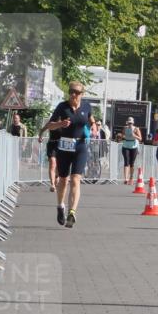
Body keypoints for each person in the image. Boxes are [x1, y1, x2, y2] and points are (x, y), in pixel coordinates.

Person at [45, 82, 92, 227]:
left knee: (76, 179)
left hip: (80, 146)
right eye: (71, 91)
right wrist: (60, 124)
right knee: (64, 180)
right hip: (64, 147)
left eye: (77, 92)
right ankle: (60, 206)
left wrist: (94, 126)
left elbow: (90, 120)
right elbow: (49, 125)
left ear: (81, 94)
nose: (73, 94)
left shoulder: (86, 106)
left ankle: (72, 212)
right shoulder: (62, 106)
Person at [38, 116, 61, 192]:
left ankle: (56, 177)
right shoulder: (50, 123)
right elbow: (42, 130)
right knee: (52, 163)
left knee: (58, 167)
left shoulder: (64, 123)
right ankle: (52, 185)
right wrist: (40, 137)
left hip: (61, 145)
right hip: (52, 144)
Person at [120, 117, 142, 184]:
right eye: (129, 123)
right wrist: (122, 136)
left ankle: (131, 178)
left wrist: (134, 135)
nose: (130, 124)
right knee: (126, 161)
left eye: (131, 123)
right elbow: (122, 135)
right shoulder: (125, 128)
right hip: (126, 145)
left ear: (133, 123)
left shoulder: (136, 129)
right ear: (127, 123)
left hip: (133, 146)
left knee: (132, 163)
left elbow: (140, 138)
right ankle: (126, 178)